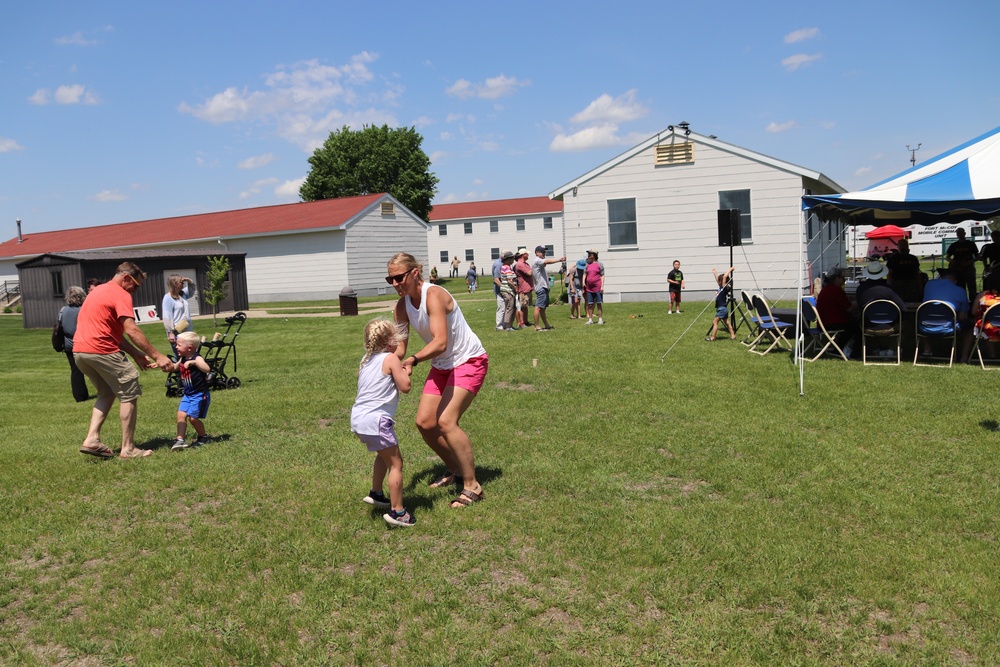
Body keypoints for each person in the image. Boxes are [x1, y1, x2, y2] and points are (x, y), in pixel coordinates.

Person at [387, 252, 488, 509]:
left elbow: (440, 342)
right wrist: (384, 362)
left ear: (415, 272)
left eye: (399, 278)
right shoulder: (401, 307)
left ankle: (472, 485)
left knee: (446, 421)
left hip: (469, 361)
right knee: (424, 422)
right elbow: (400, 348)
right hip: (442, 366)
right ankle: (454, 468)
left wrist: (413, 360)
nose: (396, 283)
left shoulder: (435, 296)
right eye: (391, 279)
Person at [73, 262, 172, 459]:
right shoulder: (120, 294)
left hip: (80, 352)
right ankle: (128, 449)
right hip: (101, 350)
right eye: (135, 285)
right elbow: (132, 330)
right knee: (129, 393)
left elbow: (113, 333)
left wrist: (136, 354)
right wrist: (158, 356)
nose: (135, 291)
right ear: (126, 278)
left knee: (107, 392)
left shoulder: (98, 291)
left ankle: (92, 439)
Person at [350, 318, 415, 527]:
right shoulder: (390, 358)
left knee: (383, 453)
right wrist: (406, 371)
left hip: (359, 419)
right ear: (389, 342)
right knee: (396, 464)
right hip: (377, 420)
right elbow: (405, 387)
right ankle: (398, 512)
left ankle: (377, 493)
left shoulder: (367, 359)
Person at [169, 331, 213, 450]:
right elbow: (174, 367)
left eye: (178, 345)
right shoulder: (182, 358)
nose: (176, 346)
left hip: (199, 395)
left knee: (193, 419)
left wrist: (194, 363)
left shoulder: (197, 358)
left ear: (189, 348)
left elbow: (206, 368)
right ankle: (180, 440)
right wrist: (159, 364)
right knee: (181, 415)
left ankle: (203, 437)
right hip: (188, 395)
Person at [921, 267, 973, 359]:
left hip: (925, 326)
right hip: (948, 327)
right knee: (972, 326)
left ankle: (927, 349)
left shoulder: (929, 284)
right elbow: (962, 317)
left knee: (918, 319)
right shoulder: (960, 291)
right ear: (955, 281)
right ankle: (964, 357)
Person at [58, 286, 91, 402]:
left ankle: (80, 396)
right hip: (83, 344)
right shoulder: (84, 310)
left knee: (76, 371)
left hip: (68, 345)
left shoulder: (63, 310)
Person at [816, 267, 858, 357]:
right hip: (830, 322)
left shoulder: (826, 289)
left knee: (852, 323)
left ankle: (841, 348)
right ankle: (844, 349)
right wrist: (857, 303)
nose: (844, 280)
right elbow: (849, 308)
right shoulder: (836, 290)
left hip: (823, 321)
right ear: (836, 278)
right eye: (842, 277)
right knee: (855, 324)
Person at [531, 245, 566, 331]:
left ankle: (546, 325)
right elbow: (546, 261)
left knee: (542, 308)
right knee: (538, 307)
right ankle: (537, 326)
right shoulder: (537, 260)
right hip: (541, 288)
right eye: (542, 252)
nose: (544, 253)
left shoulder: (539, 262)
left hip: (544, 287)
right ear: (537, 253)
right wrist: (559, 260)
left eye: (544, 252)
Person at [162, 274, 193, 359]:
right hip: (177, 331)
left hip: (187, 329)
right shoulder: (168, 298)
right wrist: (170, 333)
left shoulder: (182, 294)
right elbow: (167, 317)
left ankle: (188, 372)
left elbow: (192, 290)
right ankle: (179, 372)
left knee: (190, 356)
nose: (183, 284)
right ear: (174, 283)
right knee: (179, 357)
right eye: (181, 282)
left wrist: (189, 280)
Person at [946, 227, 979, 302]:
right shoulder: (954, 245)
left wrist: (969, 262)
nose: (960, 235)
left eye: (961, 233)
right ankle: (963, 303)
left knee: (972, 287)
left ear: (964, 234)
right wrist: (952, 261)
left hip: (969, 268)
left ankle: (973, 303)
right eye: (958, 233)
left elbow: (977, 257)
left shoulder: (971, 244)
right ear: (957, 235)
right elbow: (947, 257)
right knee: (960, 288)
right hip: (958, 269)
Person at [885, 238, 923, 302]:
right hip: (898, 284)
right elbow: (889, 274)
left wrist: (919, 287)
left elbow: (917, 273)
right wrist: (890, 286)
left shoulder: (913, 258)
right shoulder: (893, 258)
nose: (903, 246)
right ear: (898, 247)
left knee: (912, 302)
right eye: (901, 245)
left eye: (905, 245)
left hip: (911, 284)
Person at [706, 267, 736, 341]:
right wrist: (715, 273)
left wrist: (730, 269)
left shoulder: (724, 287)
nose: (718, 281)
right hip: (723, 308)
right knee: (727, 322)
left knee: (715, 322)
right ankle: (733, 336)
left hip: (722, 308)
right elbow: (718, 281)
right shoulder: (721, 287)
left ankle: (713, 337)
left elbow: (725, 277)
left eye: (720, 280)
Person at [583, 249, 605, 325]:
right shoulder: (587, 264)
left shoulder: (599, 264)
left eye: (590, 254)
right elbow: (585, 274)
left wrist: (602, 286)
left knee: (598, 303)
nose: (589, 255)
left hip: (597, 287)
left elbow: (602, 275)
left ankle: (600, 319)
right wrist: (583, 282)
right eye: (588, 254)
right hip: (589, 288)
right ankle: (590, 319)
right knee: (590, 304)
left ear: (594, 255)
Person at [513, 248, 533, 329]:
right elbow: (529, 273)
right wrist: (536, 267)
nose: (528, 255)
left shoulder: (526, 264)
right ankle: (521, 323)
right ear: (523, 255)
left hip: (528, 288)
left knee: (525, 306)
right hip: (523, 289)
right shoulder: (520, 264)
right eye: (527, 253)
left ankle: (525, 321)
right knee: (521, 306)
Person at [498, 250, 517, 330]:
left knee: (510, 307)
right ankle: (508, 326)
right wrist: (515, 289)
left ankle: (509, 325)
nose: (513, 260)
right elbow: (510, 281)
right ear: (509, 259)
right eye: (512, 258)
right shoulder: (507, 267)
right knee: (510, 307)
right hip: (508, 290)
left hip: (506, 290)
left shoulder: (504, 267)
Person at [491, 250, 508, 331]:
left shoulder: (503, 263)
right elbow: (496, 279)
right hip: (499, 290)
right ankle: (499, 326)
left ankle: (504, 324)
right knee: (501, 307)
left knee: (505, 307)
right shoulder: (498, 264)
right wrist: (504, 288)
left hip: (503, 289)